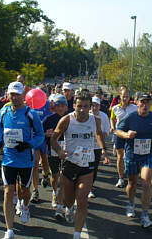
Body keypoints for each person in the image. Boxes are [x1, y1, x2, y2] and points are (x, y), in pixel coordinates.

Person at [51, 90, 107, 239]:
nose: (82, 110)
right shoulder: (66, 120)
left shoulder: (95, 120)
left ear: (90, 107)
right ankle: (69, 207)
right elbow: (53, 139)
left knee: (82, 198)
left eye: (86, 106)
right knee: (69, 199)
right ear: (74, 106)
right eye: (79, 106)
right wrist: (59, 151)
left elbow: (99, 134)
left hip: (87, 164)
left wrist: (103, 150)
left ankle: (77, 234)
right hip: (69, 164)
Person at [0, 81, 44, 239]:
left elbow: (40, 136)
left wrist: (29, 144)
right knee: (8, 192)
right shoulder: (4, 111)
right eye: (11, 94)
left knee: (24, 191)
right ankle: (9, 230)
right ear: (7, 95)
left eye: (17, 94)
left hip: (26, 160)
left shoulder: (31, 114)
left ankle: (25, 206)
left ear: (23, 95)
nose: (14, 97)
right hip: (8, 159)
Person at [115, 92, 152, 228]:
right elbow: (118, 131)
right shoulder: (131, 117)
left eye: (147, 102)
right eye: (142, 102)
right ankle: (130, 203)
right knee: (132, 183)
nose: (145, 105)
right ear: (137, 103)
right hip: (132, 155)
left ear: (150, 104)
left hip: (148, 154)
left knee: (146, 182)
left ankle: (145, 214)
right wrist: (127, 134)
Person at [42, 94, 68, 218]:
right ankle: (54, 191)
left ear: (67, 108)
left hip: (66, 151)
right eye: (58, 106)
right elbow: (39, 133)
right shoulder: (49, 119)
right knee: (55, 175)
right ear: (54, 107)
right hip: (52, 151)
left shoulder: (71, 119)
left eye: (63, 106)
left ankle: (60, 206)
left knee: (63, 177)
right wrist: (45, 134)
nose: (61, 108)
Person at [110, 87, 137, 188]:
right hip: (119, 134)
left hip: (131, 135)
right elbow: (112, 119)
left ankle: (132, 177)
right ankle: (121, 178)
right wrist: (112, 127)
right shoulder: (115, 108)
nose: (125, 98)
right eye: (123, 96)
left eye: (127, 96)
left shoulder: (134, 108)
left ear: (129, 97)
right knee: (120, 157)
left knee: (131, 157)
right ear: (120, 96)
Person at [89, 96, 111, 198]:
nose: (94, 108)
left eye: (96, 105)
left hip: (97, 147)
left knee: (94, 168)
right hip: (86, 146)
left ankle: (90, 187)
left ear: (99, 106)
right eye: (93, 105)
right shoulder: (85, 115)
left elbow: (107, 131)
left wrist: (100, 137)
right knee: (85, 168)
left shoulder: (104, 116)